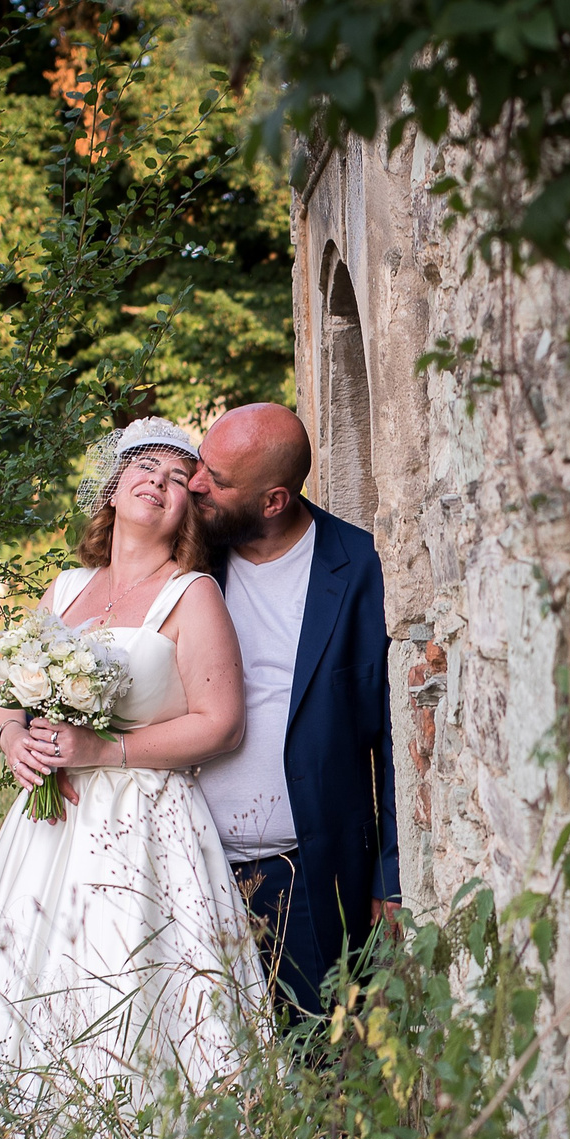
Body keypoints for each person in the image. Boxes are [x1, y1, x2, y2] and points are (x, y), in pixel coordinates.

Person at [0, 418, 264, 1139]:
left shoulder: (192, 595)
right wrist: (14, 743)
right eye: (145, 466)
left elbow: (221, 722)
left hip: (142, 825)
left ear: (187, 511)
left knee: (123, 977)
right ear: (112, 488)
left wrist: (104, 751)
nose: (160, 481)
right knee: (27, 976)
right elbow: (6, 696)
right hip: (49, 822)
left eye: (179, 479)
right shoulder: (66, 590)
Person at [186, 403, 400, 1015]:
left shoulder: (362, 567)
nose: (196, 483)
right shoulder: (188, 557)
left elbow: (390, 740)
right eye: (202, 461)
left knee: (318, 1055)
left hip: (308, 870)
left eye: (218, 480)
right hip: (187, 861)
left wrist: (388, 878)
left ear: (273, 501)